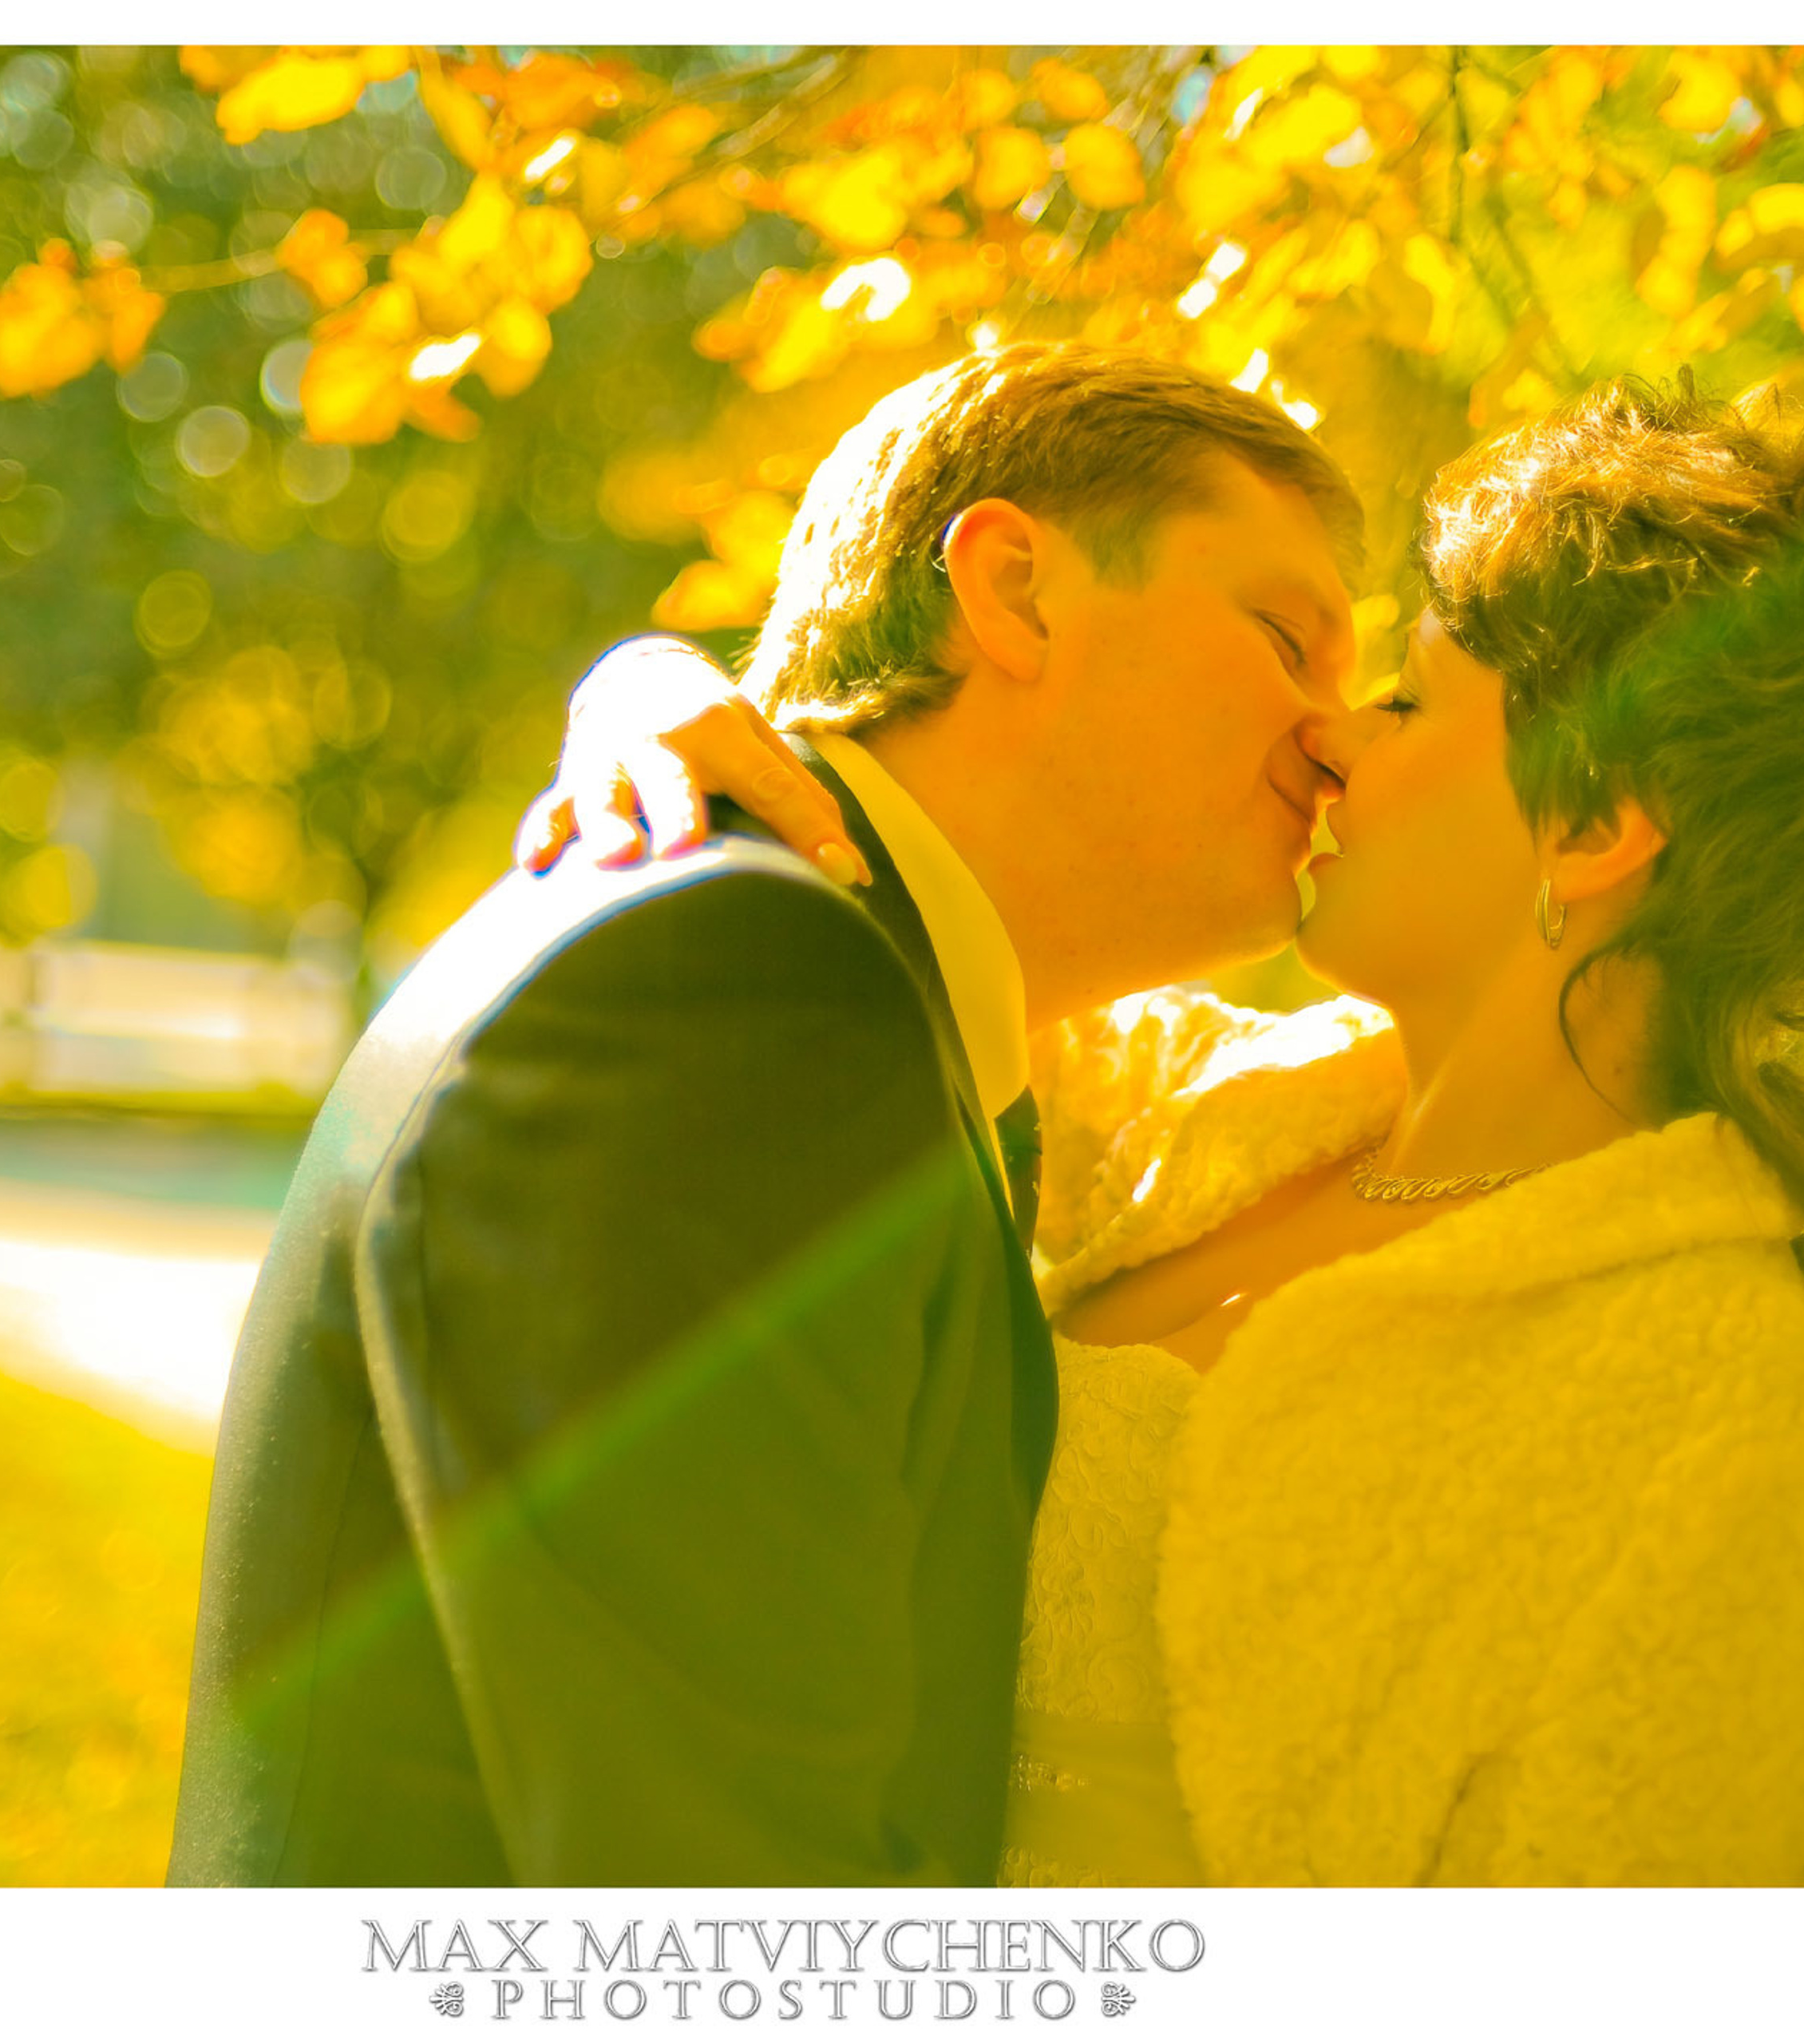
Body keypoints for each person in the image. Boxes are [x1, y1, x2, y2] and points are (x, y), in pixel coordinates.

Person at [526, 374, 1804, 1884]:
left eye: (1406, 698)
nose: (1331, 738)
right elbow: (902, 922)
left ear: (1590, 824)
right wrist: (647, 693)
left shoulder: (1729, 1410)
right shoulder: (1197, 1104)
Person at [166, 343, 1366, 1884]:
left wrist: (639, 673)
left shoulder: (861, 1003)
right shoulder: (737, 992)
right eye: (1289, 641)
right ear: (1019, 593)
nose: (1337, 738)